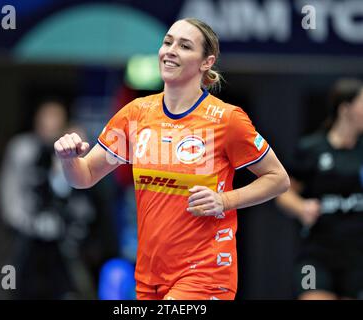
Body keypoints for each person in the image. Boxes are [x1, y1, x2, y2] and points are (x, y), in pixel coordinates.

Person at [54, 18, 290, 300]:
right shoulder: (135, 115)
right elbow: (85, 176)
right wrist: (68, 159)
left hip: (205, 271)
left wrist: (225, 200)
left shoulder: (227, 120)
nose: (171, 50)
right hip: (149, 273)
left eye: (185, 45)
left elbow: (278, 179)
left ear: (206, 62)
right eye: (168, 42)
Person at [0, 99, 116, 299]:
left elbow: (86, 199)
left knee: (73, 289)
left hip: (66, 242)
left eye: (56, 119)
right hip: (28, 239)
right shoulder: (23, 149)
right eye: (46, 118)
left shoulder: (67, 151)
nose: (50, 124)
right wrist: (24, 225)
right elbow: (10, 193)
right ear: (37, 120)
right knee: (12, 284)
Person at [276, 78, 363, 300]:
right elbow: (284, 192)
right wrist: (302, 207)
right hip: (317, 254)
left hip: (357, 256)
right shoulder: (312, 149)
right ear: (346, 109)